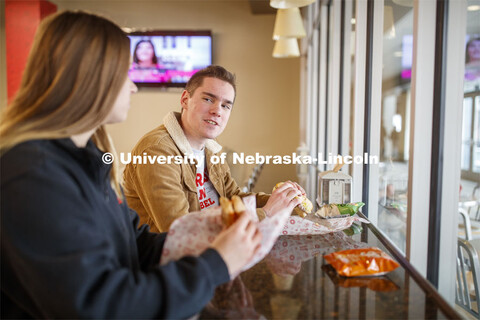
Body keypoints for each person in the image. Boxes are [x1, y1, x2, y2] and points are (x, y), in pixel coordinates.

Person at [0, 11, 282, 319]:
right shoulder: (34, 175)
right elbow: (102, 306)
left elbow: (136, 244)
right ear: (91, 77)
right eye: (125, 73)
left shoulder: (89, 158)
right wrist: (218, 261)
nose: (133, 87)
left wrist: (221, 236)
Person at [123, 65, 306, 232]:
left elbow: (233, 197)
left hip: (214, 250)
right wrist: (265, 213)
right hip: (170, 263)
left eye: (226, 105)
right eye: (209, 99)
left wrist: (283, 200)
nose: (217, 111)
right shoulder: (156, 150)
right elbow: (180, 230)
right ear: (185, 100)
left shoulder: (210, 149)